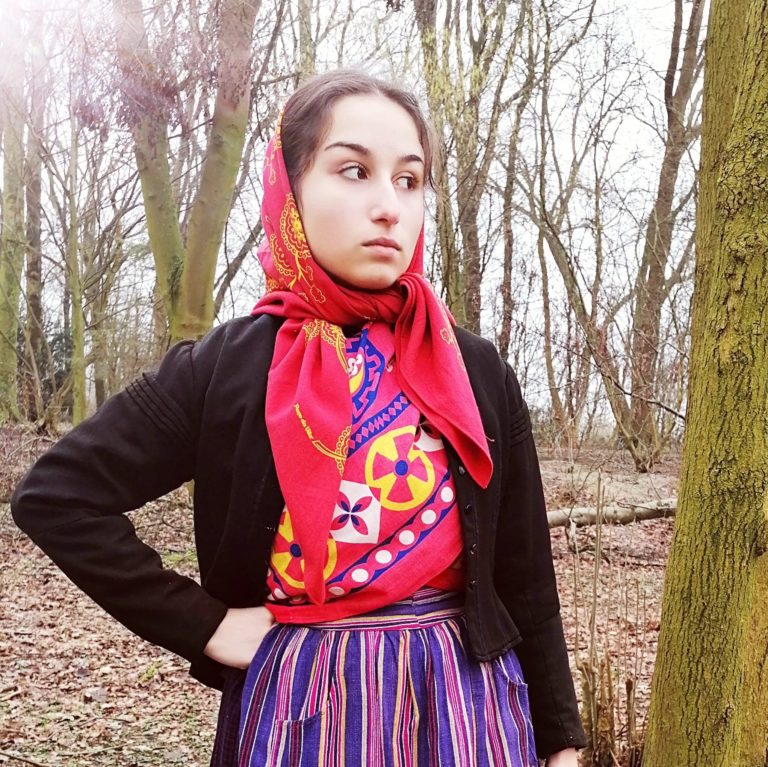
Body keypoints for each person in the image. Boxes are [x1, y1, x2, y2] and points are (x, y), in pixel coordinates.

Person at [11, 69, 587, 766]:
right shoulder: (229, 364)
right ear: (290, 187)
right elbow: (58, 497)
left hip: (463, 706)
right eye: (353, 170)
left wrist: (560, 740)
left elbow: (525, 572)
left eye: (409, 180)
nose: (388, 206)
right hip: (304, 707)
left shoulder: (475, 369)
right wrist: (207, 624)